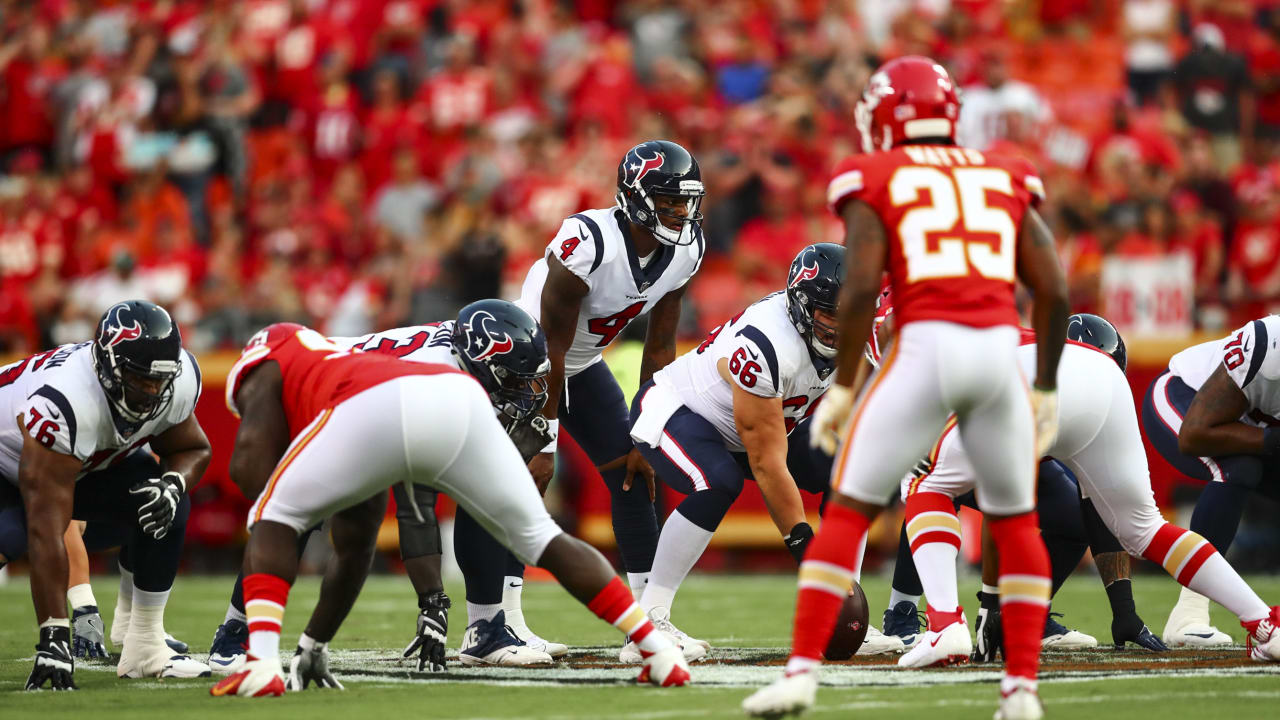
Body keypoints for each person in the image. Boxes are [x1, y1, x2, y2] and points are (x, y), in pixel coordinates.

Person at [744, 55, 1070, 720]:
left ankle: (802, 674)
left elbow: (862, 285)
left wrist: (842, 390)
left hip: (926, 346)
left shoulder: (874, 172)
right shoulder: (1004, 169)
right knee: (1016, 521)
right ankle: (1022, 692)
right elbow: (1055, 288)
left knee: (851, 509)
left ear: (887, 113)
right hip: (996, 349)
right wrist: (1043, 386)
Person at [209, 322, 691, 697]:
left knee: (277, 517)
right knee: (541, 536)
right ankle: (657, 651)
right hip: (454, 396)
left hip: (367, 405)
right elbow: (359, 545)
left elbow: (250, 473)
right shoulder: (414, 356)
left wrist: (286, 503)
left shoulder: (274, 359)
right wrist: (314, 646)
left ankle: (262, 662)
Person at [888, 312, 1279, 670]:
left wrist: (991, 603)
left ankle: (942, 625)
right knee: (1146, 529)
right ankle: (1267, 624)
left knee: (924, 482)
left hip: (1024, 383)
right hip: (1105, 383)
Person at [207, 301, 564, 674]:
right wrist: (432, 600)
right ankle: (236, 631)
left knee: (488, 483)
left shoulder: (467, 353)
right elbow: (415, 501)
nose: (526, 391)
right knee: (294, 514)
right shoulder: (436, 374)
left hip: (365, 399)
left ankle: (486, 627)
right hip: (320, 395)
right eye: (514, 380)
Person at [515, 139, 707, 657]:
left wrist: (650, 427)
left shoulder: (686, 248)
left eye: (686, 200)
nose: (681, 212)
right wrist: (545, 438)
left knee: (633, 471)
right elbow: (549, 347)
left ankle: (647, 626)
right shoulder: (589, 240)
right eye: (669, 200)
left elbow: (661, 344)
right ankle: (500, 621)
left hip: (581, 362)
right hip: (523, 367)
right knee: (515, 484)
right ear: (637, 196)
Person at [881, 315, 1159, 655]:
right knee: (936, 489)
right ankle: (903, 612)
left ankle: (1027, 613)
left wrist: (1124, 611)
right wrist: (990, 605)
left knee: (1074, 515)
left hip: (997, 441)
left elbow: (1097, 503)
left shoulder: (1065, 385)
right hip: (941, 435)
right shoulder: (1030, 369)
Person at [627, 244, 841, 662]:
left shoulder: (853, 337)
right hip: (677, 408)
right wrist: (804, 549)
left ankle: (842, 605)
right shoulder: (766, 344)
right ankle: (647, 624)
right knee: (717, 480)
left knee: (849, 474)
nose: (840, 325)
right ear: (801, 304)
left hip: (758, 426)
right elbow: (765, 462)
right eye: (829, 313)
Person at [0, 301, 212, 690]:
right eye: (140, 379)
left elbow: (192, 449)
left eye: (159, 381)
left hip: (78, 466)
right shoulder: (66, 399)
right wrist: (55, 637)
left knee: (162, 498)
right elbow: (47, 527)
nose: (152, 391)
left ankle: (145, 646)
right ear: (108, 366)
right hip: (9, 466)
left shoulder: (174, 382)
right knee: (10, 537)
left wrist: (174, 483)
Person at [1142, 314, 1280, 646]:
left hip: (1247, 423)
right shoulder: (1270, 345)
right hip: (1184, 396)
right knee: (1238, 467)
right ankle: (1189, 614)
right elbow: (1195, 435)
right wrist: (1272, 443)